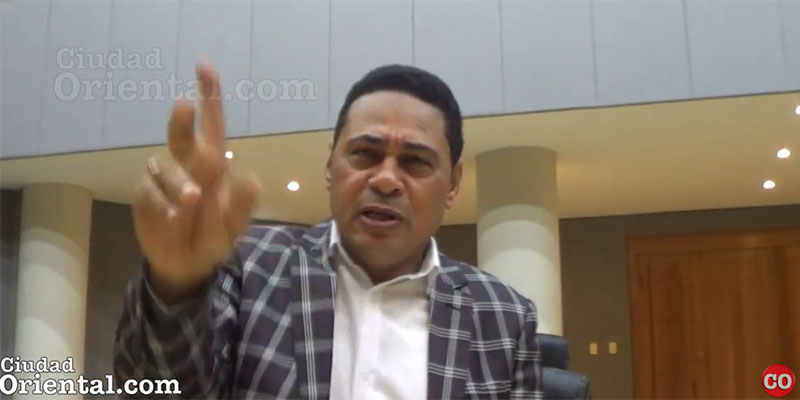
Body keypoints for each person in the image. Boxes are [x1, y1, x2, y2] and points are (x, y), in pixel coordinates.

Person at [113, 62, 543, 399]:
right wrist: (176, 287)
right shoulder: (248, 268)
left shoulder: (503, 316)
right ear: (330, 165)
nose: (386, 180)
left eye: (415, 162)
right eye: (365, 154)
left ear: (452, 184)